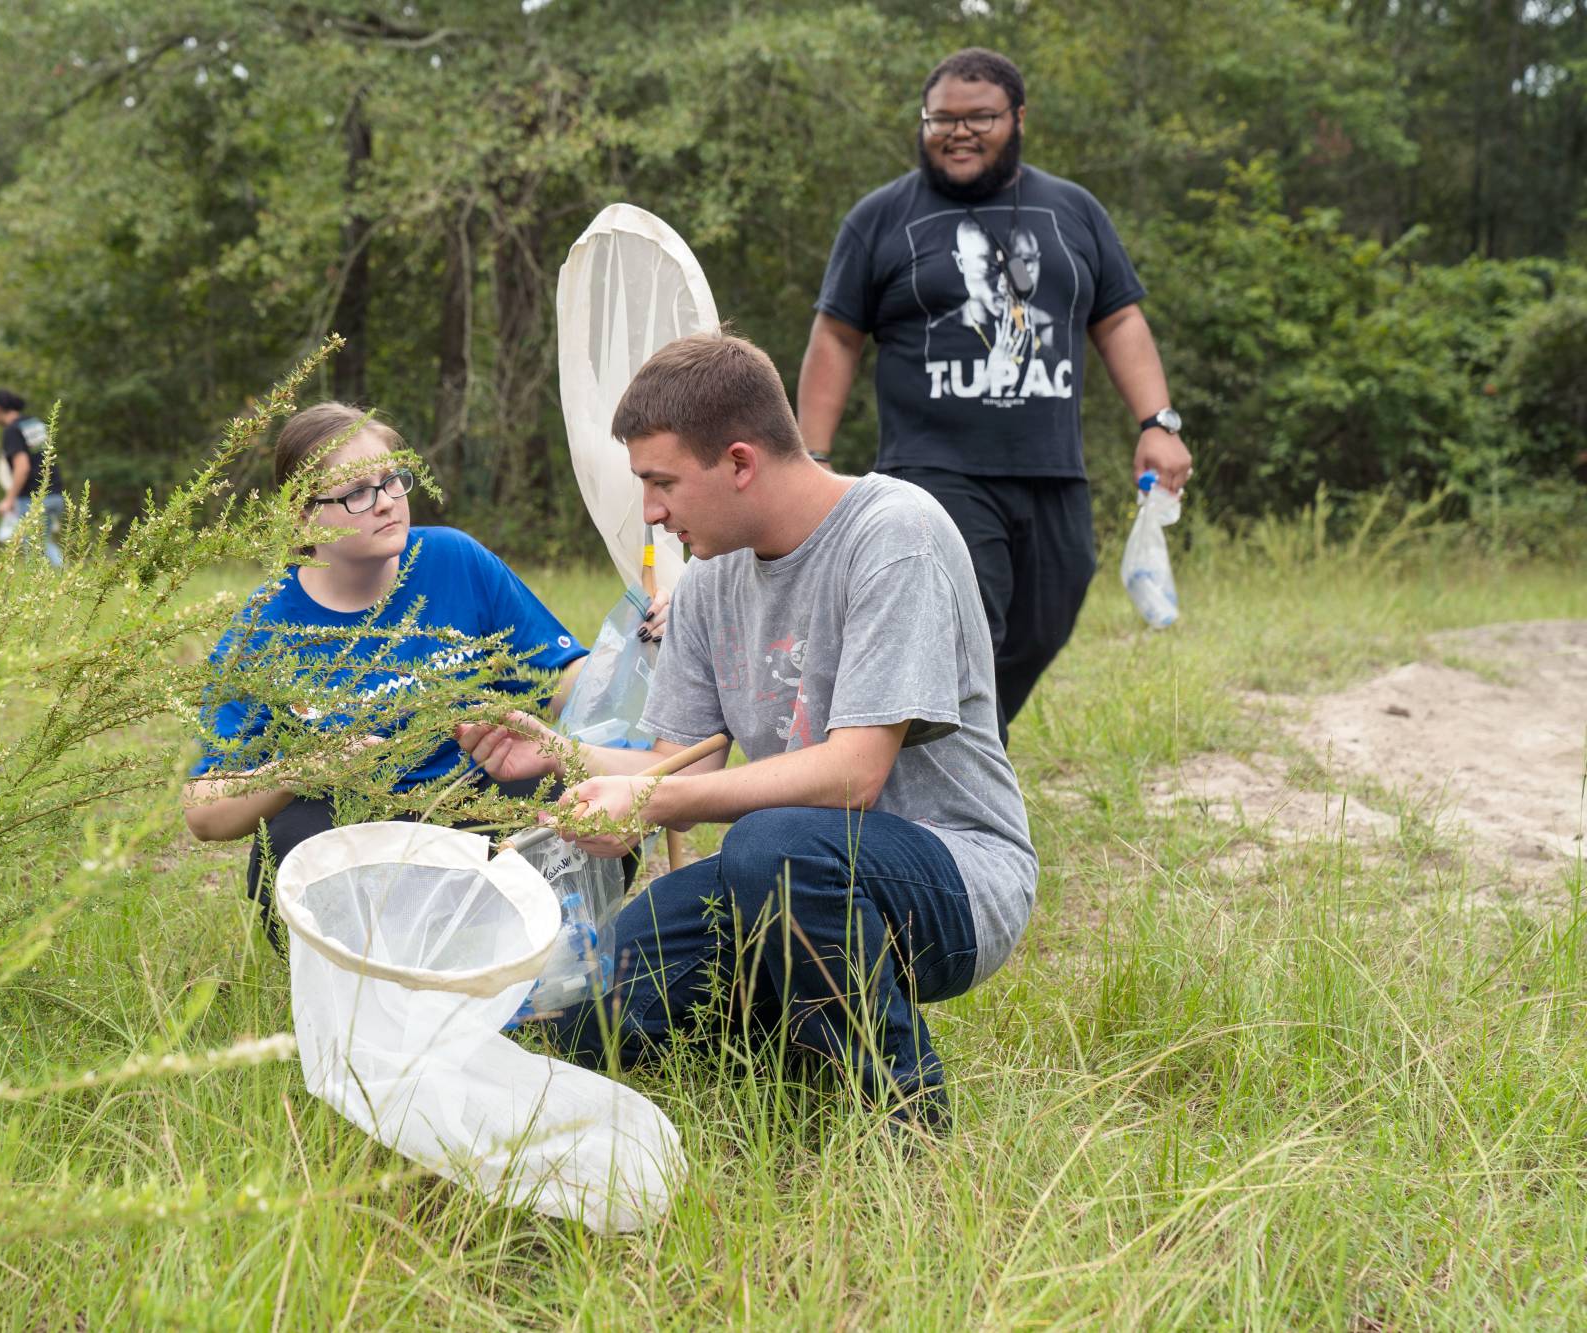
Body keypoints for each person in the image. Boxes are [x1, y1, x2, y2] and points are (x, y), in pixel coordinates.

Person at [456, 332, 1036, 1131]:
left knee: (773, 846)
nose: (651, 512)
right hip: (790, 873)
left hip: (955, 878)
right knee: (587, 1012)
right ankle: (781, 1052)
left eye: (662, 483)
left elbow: (854, 775)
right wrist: (563, 753)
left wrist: (648, 804)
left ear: (739, 461)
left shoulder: (894, 535)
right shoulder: (706, 582)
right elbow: (672, 769)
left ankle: (898, 1122)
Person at [797, 48, 1194, 743]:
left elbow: (1119, 317)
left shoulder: (1073, 209)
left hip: (1051, 469)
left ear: (1017, 117)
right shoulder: (880, 218)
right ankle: (954, 771)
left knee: (1049, 618)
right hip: (933, 469)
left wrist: (1158, 422)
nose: (957, 131)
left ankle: (955, 733)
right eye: (940, 118)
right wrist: (812, 457)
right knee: (966, 624)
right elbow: (835, 337)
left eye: (979, 116)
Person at [182, 401, 603, 942]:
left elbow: (569, 678)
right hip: (357, 831)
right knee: (292, 842)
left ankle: (538, 956)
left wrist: (646, 655)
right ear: (304, 515)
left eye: (393, 481)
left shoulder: (455, 561)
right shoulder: (263, 634)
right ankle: (366, 979)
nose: (386, 504)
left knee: (576, 799)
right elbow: (203, 812)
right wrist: (305, 769)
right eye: (357, 492)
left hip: (478, 808)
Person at [0, 389, 67, 568]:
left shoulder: (12, 430)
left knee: (35, 546)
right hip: (55, 493)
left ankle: (63, 579)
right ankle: (64, 578)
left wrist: (9, 499)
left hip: (34, 497)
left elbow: (22, 468)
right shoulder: (34, 424)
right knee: (42, 541)